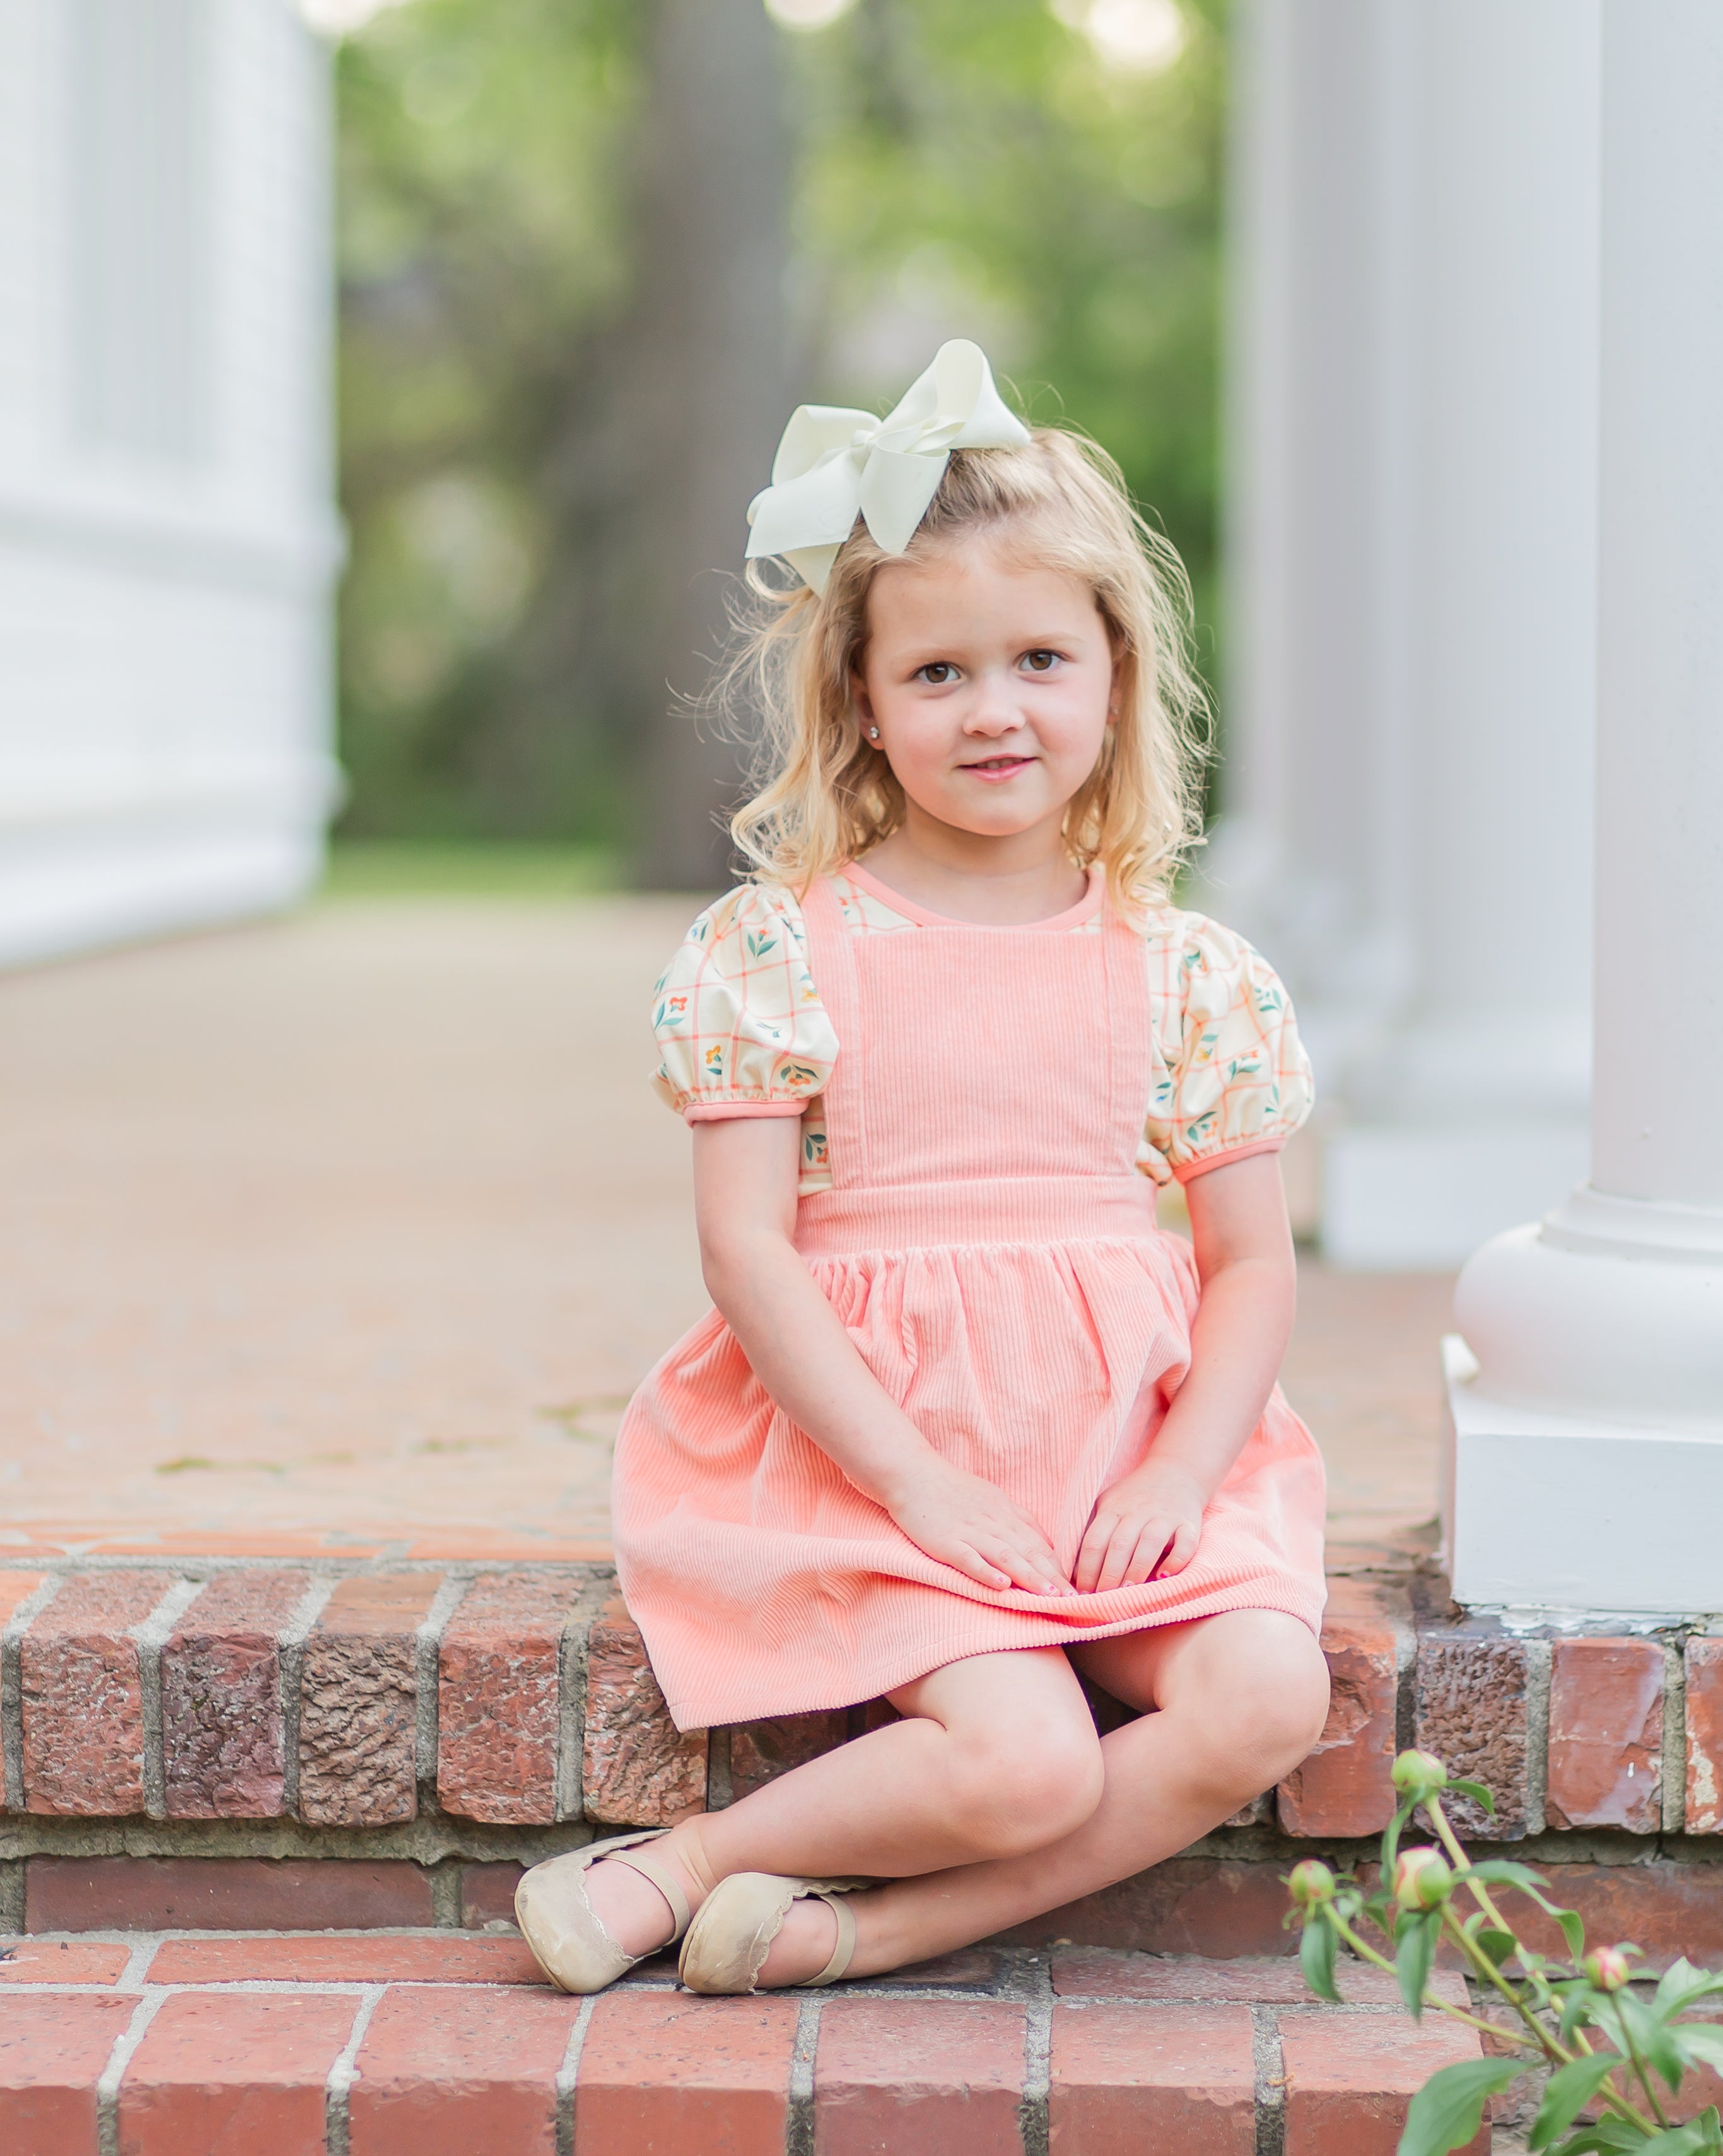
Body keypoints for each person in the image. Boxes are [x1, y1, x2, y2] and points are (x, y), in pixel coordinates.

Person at [513, 341, 1333, 1996]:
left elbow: (1247, 1260)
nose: (994, 708)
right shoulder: (783, 950)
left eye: (1037, 656)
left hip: (1121, 1453)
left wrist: (1175, 1474)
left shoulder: (1185, 970)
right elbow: (746, 1248)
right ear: (865, 705)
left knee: (1262, 1694)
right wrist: (918, 1482)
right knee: (1019, 1757)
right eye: (939, 671)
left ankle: (869, 1929)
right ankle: (681, 1866)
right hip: (883, 1454)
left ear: (1111, 673)